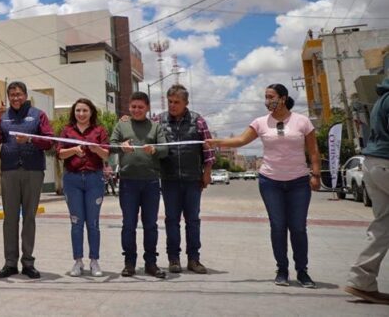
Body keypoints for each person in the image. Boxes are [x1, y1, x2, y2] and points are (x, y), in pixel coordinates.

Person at [207, 83, 321, 288]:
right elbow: (241, 140)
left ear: (283, 98)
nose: (267, 101)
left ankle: (302, 272)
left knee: (298, 227)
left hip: (298, 182)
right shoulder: (260, 122)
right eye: (266, 97)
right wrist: (216, 142)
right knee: (278, 226)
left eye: (271, 97)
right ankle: (282, 270)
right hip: (270, 182)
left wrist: (316, 174)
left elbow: (313, 150)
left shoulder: (302, 121)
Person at [0, 81, 54, 279]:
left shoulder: (38, 115)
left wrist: (30, 139)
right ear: (8, 97)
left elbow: (49, 141)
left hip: (33, 171)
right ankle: (10, 263)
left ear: (25, 95)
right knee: (10, 219)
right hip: (9, 172)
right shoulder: (3, 116)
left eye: (19, 94)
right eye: (12, 95)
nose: (15, 98)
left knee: (29, 218)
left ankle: (28, 262)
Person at [158, 84, 215, 274]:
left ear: (186, 103)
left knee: (192, 221)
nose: (172, 105)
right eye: (170, 101)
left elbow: (208, 149)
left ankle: (194, 259)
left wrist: (207, 172)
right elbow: (145, 134)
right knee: (171, 220)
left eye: (177, 102)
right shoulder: (159, 120)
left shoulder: (198, 121)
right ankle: (173, 259)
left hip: (192, 179)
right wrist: (126, 119)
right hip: (169, 179)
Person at [111, 91, 169, 279]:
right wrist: (121, 146)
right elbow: (111, 145)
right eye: (133, 106)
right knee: (128, 224)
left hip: (151, 183)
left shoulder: (155, 127)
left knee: (150, 225)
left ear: (147, 108)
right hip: (128, 183)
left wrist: (154, 149)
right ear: (129, 107)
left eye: (140, 107)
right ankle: (129, 263)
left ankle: (151, 263)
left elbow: (165, 149)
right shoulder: (122, 125)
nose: (136, 110)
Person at [345, 76, 389, 305]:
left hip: (372, 163)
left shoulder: (382, 99)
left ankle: (362, 280)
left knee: (383, 225)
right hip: (386, 162)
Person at [56, 98, 110, 278]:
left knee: (93, 223)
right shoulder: (67, 130)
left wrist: (96, 149)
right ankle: (78, 261)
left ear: (91, 112)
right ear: (74, 112)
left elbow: (106, 154)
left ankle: (94, 261)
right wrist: (74, 150)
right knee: (76, 222)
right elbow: (59, 154)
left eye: (85, 110)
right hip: (72, 180)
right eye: (78, 110)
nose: (81, 114)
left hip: (94, 179)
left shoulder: (99, 130)